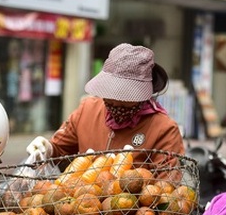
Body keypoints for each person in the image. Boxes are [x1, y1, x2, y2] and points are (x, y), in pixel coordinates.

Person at [26, 43, 184, 164]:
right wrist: (48, 148)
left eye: (125, 95)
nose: (116, 101)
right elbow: (61, 150)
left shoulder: (164, 130)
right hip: (80, 203)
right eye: (111, 92)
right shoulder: (87, 110)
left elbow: (167, 192)